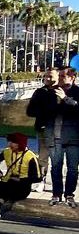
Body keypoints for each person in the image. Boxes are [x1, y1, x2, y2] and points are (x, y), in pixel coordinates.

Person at [46, 67, 79, 207]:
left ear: (72, 78)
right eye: (59, 76)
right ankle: (56, 194)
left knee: (72, 168)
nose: (59, 79)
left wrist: (65, 99)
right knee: (56, 167)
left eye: (63, 76)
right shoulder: (51, 91)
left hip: (74, 137)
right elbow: (45, 111)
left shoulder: (78, 91)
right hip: (56, 135)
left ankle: (69, 194)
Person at [26, 68, 60, 191]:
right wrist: (42, 112)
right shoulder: (39, 92)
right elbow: (30, 111)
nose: (48, 79)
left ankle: (58, 183)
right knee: (43, 157)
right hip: (43, 128)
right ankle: (41, 181)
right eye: (46, 76)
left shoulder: (63, 91)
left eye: (50, 76)